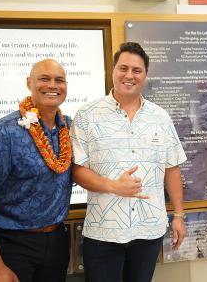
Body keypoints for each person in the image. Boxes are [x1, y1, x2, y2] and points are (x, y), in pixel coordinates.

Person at [70, 42, 187, 282]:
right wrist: (113, 186)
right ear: (112, 71)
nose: (129, 76)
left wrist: (179, 215)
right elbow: (78, 170)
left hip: (149, 229)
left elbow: (172, 168)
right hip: (104, 232)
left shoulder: (160, 117)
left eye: (137, 70)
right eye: (123, 68)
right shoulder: (87, 115)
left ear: (145, 75)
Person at [0, 59, 72, 282]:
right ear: (29, 83)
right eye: (44, 78)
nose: (53, 85)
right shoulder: (2, 133)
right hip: (12, 245)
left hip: (57, 242)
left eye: (59, 80)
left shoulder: (70, 128)